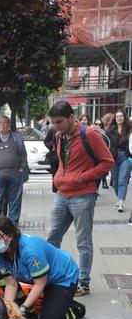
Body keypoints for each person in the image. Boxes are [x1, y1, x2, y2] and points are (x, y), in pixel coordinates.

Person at [46, 101, 114, 296]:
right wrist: (60, 178)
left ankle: (84, 282)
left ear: (71, 117)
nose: (55, 126)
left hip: (83, 196)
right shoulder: (60, 136)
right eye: (53, 122)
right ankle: (51, 276)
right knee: (52, 238)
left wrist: (83, 176)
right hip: (62, 194)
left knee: (83, 242)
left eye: (59, 122)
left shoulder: (89, 134)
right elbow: (62, 161)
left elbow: (108, 162)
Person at [0, 216, 82, 319]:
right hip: (37, 277)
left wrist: (22, 308)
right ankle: (30, 310)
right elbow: (10, 284)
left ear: (10, 236)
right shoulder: (1, 251)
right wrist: (10, 308)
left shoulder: (31, 251)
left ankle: (75, 308)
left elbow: (39, 284)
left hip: (62, 278)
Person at [0, 114, 29, 224]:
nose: (2, 125)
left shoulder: (17, 138)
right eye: (0, 123)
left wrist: (22, 169)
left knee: (15, 200)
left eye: (5, 123)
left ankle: (13, 225)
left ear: (9, 125)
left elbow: (23, 154)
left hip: (15, 173)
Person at [106, 110, 132, 212]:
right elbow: (106, 143)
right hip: (113, 157)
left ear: (124, 117)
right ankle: (119, 197)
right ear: (115, 118)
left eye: (121, 116)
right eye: (117, 116)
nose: (119, 118)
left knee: (123, 180)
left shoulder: (129, 129)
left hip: (125, 156)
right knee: (115, 182)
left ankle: (120, 202)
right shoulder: (110, 130)